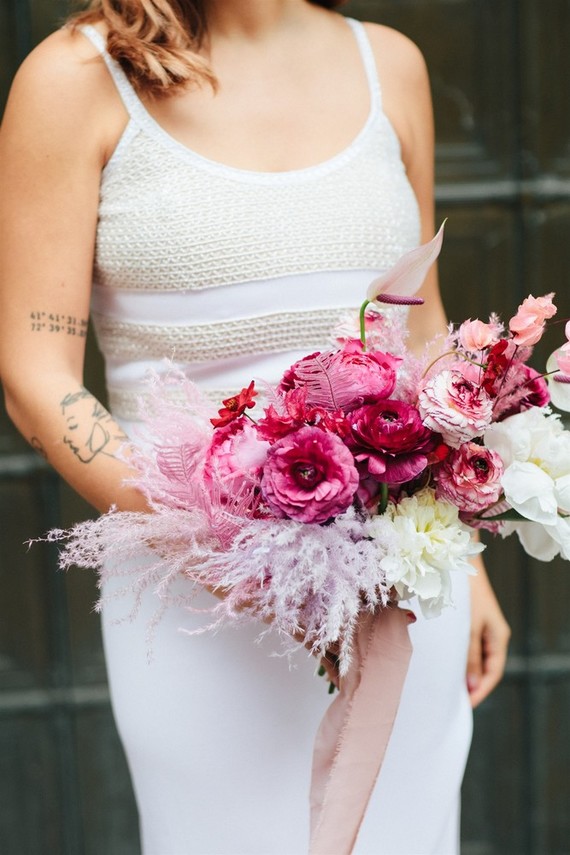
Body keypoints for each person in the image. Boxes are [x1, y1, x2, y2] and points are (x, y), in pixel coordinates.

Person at [0, 1, 511, 852]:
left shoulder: (392, 64)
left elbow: (420, 325)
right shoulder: (77, 78)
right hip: (198, 595)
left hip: (406, 593)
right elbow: (34, 374)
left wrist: (474, 557)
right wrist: (224, 548)